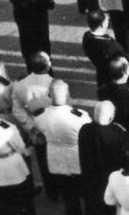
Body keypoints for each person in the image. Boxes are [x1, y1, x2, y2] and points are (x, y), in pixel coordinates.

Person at [33, 81, 90, 215]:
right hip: (76, 157)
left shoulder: (40, 115)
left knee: (68, 196)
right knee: (84, 192)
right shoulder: (80, 116)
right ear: (68, 94)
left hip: (55, 157)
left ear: (50, 95)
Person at [78, 100, 129, 215]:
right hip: (110, 180)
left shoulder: (84, 130)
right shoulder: (118, 133)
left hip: (90, 179)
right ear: (111, 117)